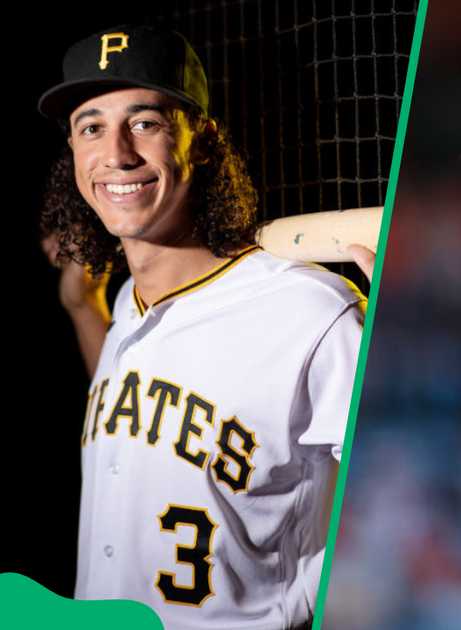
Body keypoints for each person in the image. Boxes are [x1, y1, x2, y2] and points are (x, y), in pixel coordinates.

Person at [38, 25, 365, 629]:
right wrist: (85, 309)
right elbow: (143, 435)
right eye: (91, 127)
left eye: (145, 122)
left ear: (204, 141)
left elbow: (386, 509)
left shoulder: (310, 310)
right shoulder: (130, 309)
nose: (116, 153)